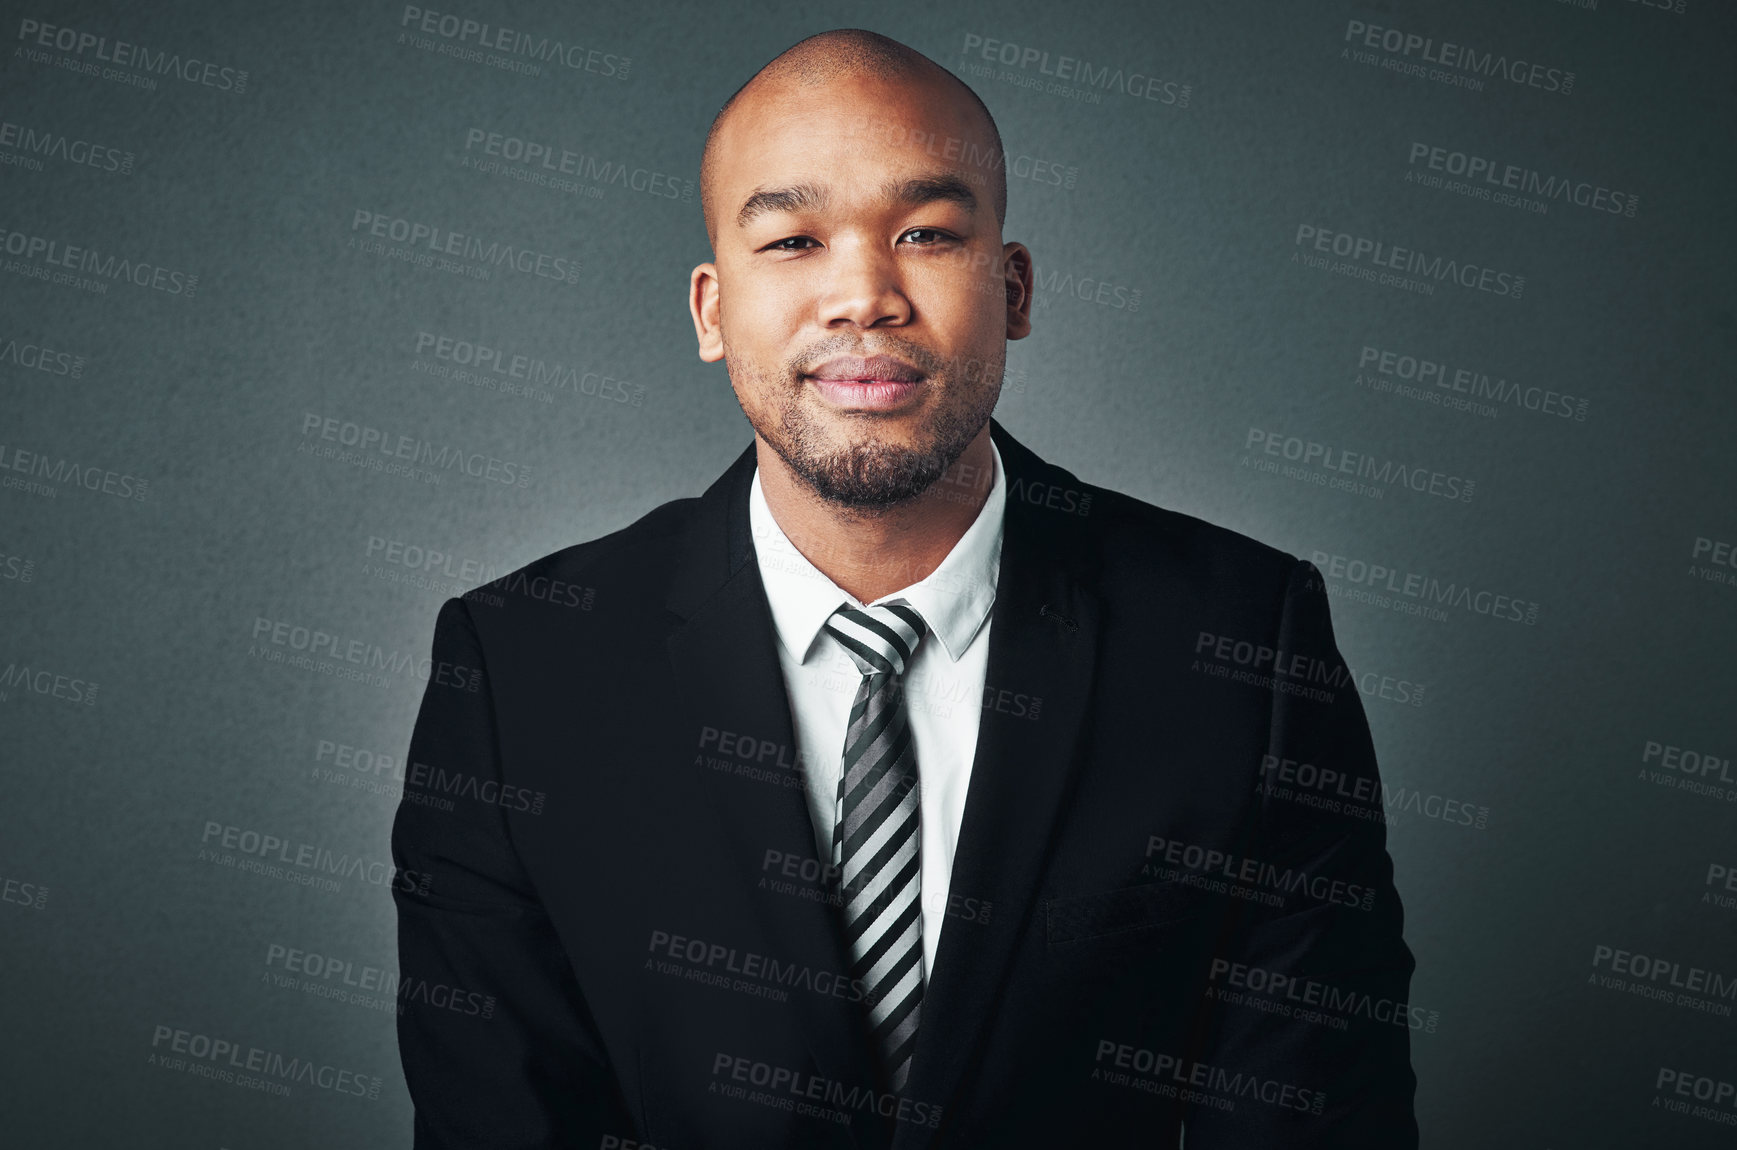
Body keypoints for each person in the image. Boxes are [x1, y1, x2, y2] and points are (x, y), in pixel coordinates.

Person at [391, 28, 1418, 1148]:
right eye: (791, 241)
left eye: (926, 232)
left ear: (1014, 288)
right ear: (711, 309)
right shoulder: (523, 673)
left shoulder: (1240, 647)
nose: (864, 296)